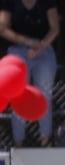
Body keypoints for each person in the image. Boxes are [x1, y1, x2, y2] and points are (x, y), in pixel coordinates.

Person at [0, 0, 59, 147]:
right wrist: (28, 42)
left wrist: (40, 47)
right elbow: (3, 28)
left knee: (45, 94)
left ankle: (45, 140)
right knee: (17, 95)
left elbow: (55, 29)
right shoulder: (9, 2)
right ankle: (18, 143)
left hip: (44, 49)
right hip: (18, 51)